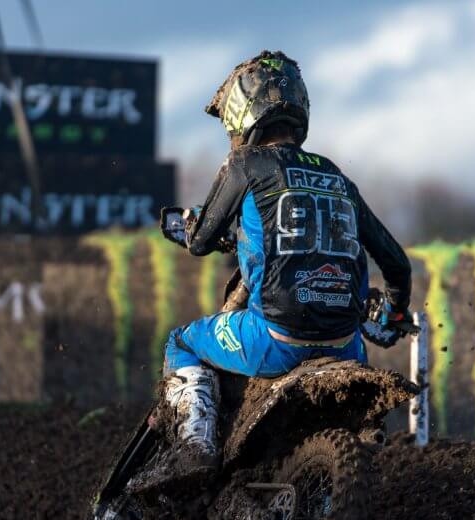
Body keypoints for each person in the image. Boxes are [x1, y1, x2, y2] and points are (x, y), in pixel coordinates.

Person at [152, 50, 413, 489]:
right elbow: (397, 264)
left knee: (182, 341)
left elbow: (198, 242)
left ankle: (196, 445)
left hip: (274, 340)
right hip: (346, 346)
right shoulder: (336, 177)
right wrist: (394, 311)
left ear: (242, 114)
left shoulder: (245, 164)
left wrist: (196, 223)